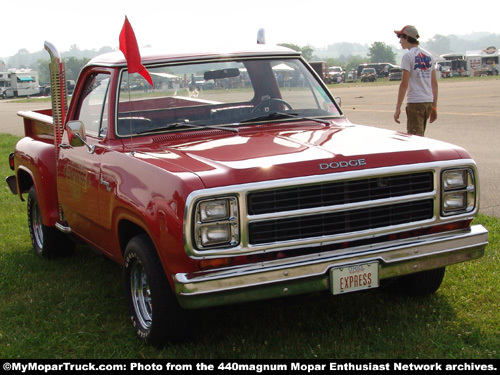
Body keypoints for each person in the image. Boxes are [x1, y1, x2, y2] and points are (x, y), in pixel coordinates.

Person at [393, 25, 438, 136]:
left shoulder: (408, 56)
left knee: (416, 139)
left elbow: (404, 84)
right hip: (428, 101)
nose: (400, 41)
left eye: (401, 38)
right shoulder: (429, 56)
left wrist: (397, 108)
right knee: (420, 137)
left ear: (407, 38)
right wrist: (434, 107)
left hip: (415, 102)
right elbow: (434, 84)